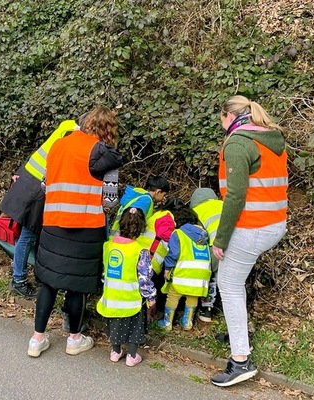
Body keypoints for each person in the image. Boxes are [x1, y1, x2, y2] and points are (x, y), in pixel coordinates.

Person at [27, 105, 124, 357]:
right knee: (77, 286)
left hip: (54, 223)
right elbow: (110, 202)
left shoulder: (59, 145)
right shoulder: (106, 155)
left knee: (48, 282)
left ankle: (37, 340)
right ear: (108, 129)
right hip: (86, 228)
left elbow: (45, 184)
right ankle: (74, 339)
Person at [209, 95, 288, 388]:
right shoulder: (271, 138)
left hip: (252, 226)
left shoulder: (239, 143)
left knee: (228, 283)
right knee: (237, 279)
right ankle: (236, 331)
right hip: (275, 223)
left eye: (221, 119)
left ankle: (240, 361)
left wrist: (221, 238)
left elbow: (235, 195)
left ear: (228, 116)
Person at [0, 119, 79, 298]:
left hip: (30, 178)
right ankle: (18, 280)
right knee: (28, 235)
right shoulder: (73, 135)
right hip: (38, 186)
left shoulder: (67, 125)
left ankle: (33, 276)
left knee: (34, 234)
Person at [96, 206, 156, 367]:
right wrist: (151, 298)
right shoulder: (139, 250)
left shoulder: (108, 246)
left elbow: (104, 272)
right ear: (141, 228)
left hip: (111, 297)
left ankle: (115, 352)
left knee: (114, 325)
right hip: (131, 300)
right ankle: (132, 356)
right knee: (134, 328)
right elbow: (145, 278)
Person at [157, 203, 211, 331]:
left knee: (173, 295)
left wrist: (167, 268)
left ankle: (167, 323)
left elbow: (173, 253)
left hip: (183, 273)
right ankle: (187, 323)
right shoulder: (204, 235)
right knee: (192, 297)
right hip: (201, 275)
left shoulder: (179, 234)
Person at [190, 187, 223, 322]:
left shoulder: (196, 212)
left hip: (216, 247)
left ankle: (206, 310)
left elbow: (198, 238)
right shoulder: (223, 204)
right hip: (239, 246)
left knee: (210, 276)